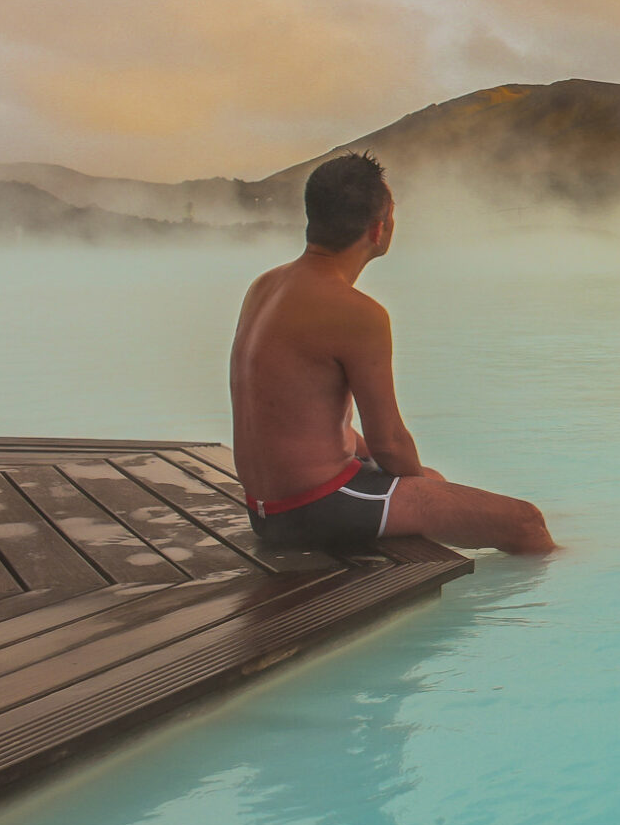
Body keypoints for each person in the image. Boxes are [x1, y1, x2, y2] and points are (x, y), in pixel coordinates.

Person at [229, 152, 555, 555]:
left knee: (433, 479)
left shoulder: (265, 285)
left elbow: (292, 415)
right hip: (313, 509)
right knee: (525, 523)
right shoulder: (356, 312)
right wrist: (419, 489)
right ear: (378, 228)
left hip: (267, 508)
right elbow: (390, 443)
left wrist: (426, 486)